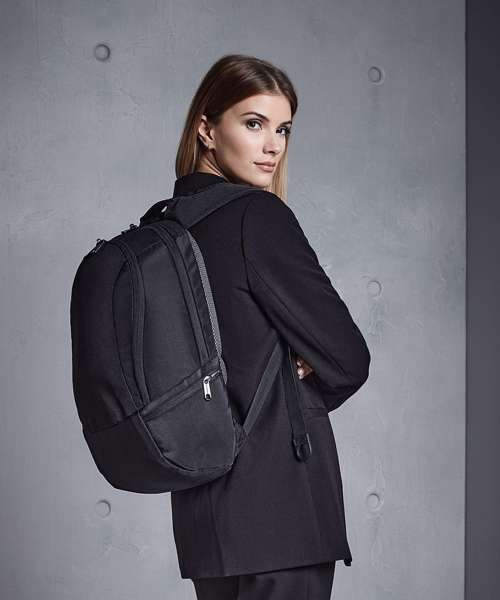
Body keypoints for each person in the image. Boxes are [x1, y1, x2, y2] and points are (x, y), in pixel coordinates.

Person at [169, 54, 371, 600]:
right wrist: (295, 366)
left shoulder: (166, 228)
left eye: (283, 129)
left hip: (205, 518)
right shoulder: (256, 217)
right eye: (254, 123)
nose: (273, 146)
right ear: (207, 129)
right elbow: (349, 358)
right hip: (281, 512)